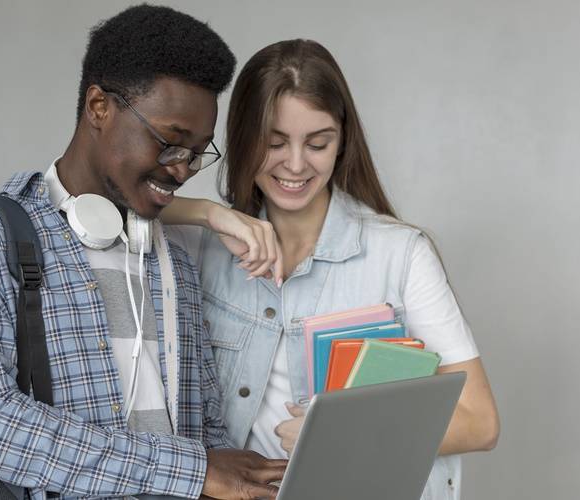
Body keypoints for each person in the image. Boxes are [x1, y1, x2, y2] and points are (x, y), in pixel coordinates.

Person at [0, 6, 286, 500]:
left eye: (198, 152)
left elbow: (206, 429)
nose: (183, 169)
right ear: (99, 107)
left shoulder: (172, 259)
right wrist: (191, 471)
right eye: (170, 143)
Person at [162, 39, 500, 500]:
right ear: (242, 139)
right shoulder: (204, 245)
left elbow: (479, 421)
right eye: (275, 143)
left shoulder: (400, 254)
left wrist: (344, 436)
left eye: (317, 143)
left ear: (341, 142)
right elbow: (101, 207)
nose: (296, 165)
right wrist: (207, 211)